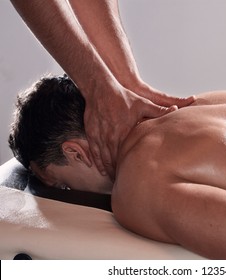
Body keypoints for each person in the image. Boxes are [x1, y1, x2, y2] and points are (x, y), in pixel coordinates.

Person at [9, 75, 226, 260]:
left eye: (64, 185)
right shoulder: (204, 103)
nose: (72, 194)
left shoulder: (139, 183)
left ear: (75, 153)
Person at [10, 0, 195, 178]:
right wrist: (109, 86)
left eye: (64, 186)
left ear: (77, 154)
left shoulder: (140, 191)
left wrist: (121, 83)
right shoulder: (201, 108)